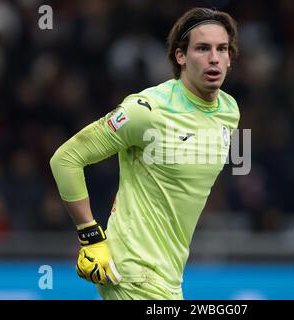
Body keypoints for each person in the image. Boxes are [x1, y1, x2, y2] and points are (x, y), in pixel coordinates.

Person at [50, 7, 239, 300]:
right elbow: (66, 158)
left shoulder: (229, 111)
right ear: (181, 56)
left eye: (222, 49)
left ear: (230, 57)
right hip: (133, 273)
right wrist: (90, 237)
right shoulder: (147, 110)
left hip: (169, 278)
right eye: (202, 48)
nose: (214, 58)